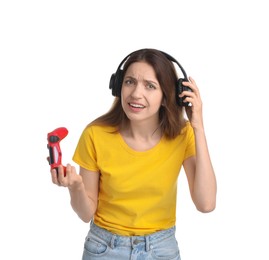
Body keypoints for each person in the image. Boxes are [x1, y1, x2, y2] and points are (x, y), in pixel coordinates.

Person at [50, 48, 217, 260]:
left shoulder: (183, 135)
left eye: (150, 86)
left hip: (161, 249)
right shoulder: (95, 134)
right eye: (129, 82)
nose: (136, 93)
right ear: (118, 86)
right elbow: (85, 213)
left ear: (167, 96)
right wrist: (76, 186)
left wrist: (198, 127)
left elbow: (206, 203)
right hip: (104, 247)